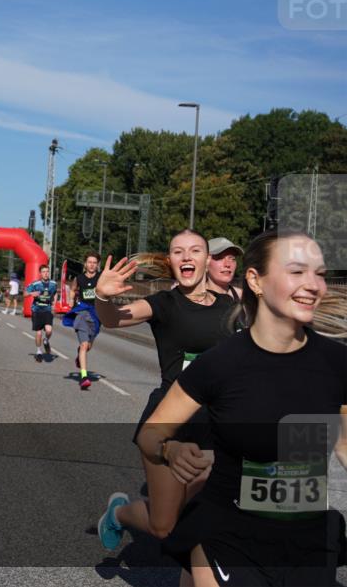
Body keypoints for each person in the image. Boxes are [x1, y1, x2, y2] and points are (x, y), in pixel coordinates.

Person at [138, 230, 347, 587]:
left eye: (320, 274)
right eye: (296, 271)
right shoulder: (220, 364)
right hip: (229, 537)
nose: (313, 285)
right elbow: (150, 434)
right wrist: (170, 449)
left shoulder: (337, 362)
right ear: (255, 280)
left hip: (307, 541)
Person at [95, 229, 236, 556]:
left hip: (216, 424)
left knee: (209, 513)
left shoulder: (231, 306)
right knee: (164, 526)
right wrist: (102, 298)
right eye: (178, 251)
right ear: (170, 261)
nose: (186, 256)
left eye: (195, 250)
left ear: (207, 259)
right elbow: (113, 319)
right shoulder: (164, 304)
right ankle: (118, 514)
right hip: (169, 424)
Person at [66, 253, 101, 390]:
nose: (92, 265)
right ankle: (84, 377)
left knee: (88, 346)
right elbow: (73, 289)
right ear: (85, 264)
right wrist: (71, 300)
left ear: (97, 265)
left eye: (94, 262)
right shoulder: (79, 278)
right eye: (89, 262)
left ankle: (79, 355)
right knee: (84, 345)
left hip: (96, 314)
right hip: (82, 312)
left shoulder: (101, 278)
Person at [25, 265, 58, 362]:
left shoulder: (53, 283)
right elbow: (25, 293)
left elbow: (55, 293)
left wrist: (54, 304)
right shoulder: (35, 284)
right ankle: (39, 352)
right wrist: (31, 293)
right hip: (37, 310)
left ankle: (46, 340)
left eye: (47, 271)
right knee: (39, 333)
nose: (46, 273)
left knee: (49, 330)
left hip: (47, 309)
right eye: (43, 272)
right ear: (40, 273)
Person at [206, 237, 243, 302]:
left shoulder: (244, 298)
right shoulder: (192, 299)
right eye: (219, 258)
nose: (227, 264)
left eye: (232, 259)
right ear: (206, 262)